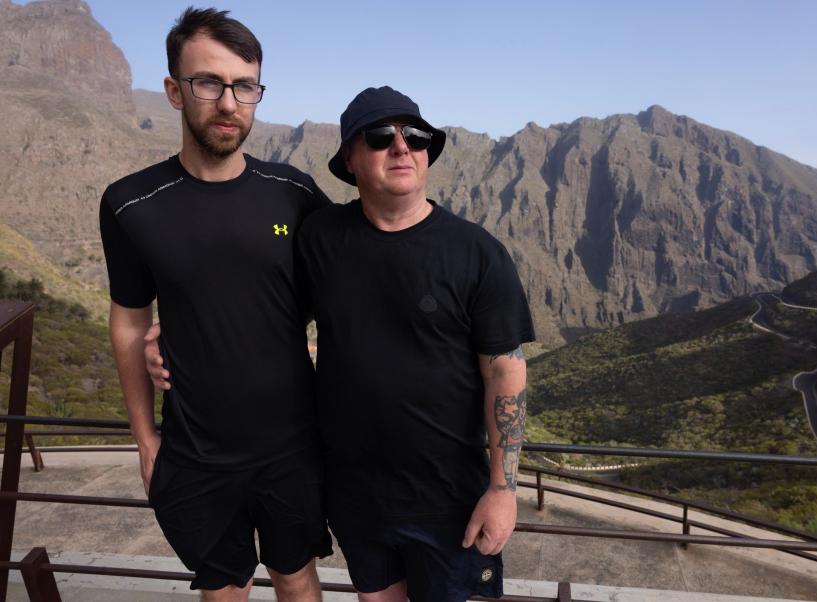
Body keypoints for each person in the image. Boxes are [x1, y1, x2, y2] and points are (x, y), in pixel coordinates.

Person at [99, 8, 331, 601]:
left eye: (244, 85)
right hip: (196, 451)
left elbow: (345, 288)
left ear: (257, 93)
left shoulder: (296, 195)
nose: (229, 103)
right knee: (223, 588)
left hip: (293, 444)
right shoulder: (131, 205)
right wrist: (146, 440)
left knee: (297, 577)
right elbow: (128, 322)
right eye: (209, 83)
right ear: (176, 91)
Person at [297, 86, 534, 602]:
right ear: (350, 161)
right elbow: (266, 310)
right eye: (381, 137)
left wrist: (503, 490)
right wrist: (170, 337)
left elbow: (505, 373)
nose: (401, 147)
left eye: (416, 136)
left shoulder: (477, 253)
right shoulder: (318, 240)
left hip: (450, 500)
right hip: (355, 497)